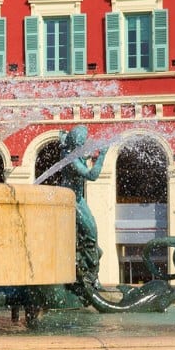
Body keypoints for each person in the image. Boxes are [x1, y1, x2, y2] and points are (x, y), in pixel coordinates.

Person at [58, 125, 109, 298]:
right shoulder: (70, 158)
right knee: (90, 235)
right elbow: (92, 176)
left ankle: (87, 275)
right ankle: (89, 278)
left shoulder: (73, 153)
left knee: (90, 238)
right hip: (71, 201)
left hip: (78, 199)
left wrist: (87, 155)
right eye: (84, 140)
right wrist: (101, 155)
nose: (87, 142)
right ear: (78, 141)